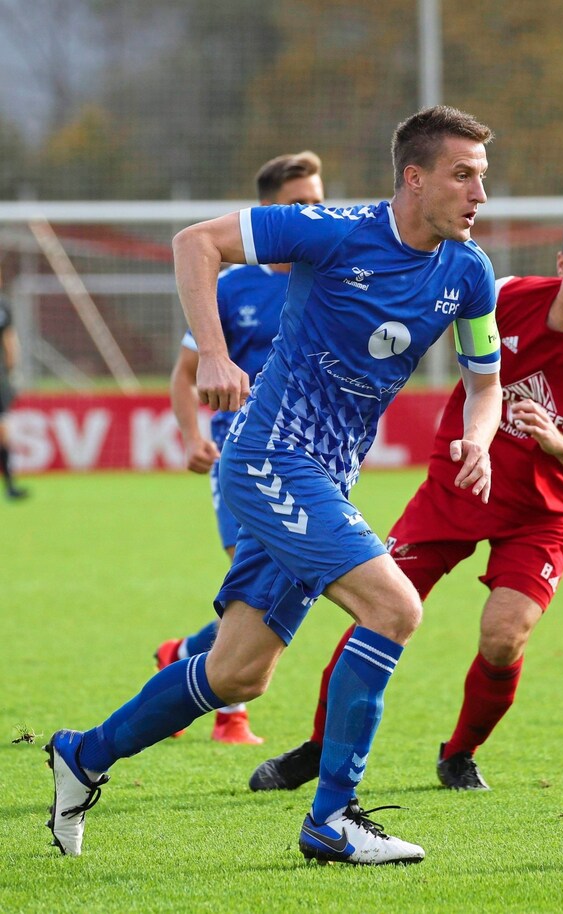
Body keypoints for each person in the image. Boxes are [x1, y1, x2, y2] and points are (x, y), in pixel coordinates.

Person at [44, 105, 502, 865]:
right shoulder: (333, 229)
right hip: (269, 457)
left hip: (329, 476)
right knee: (394, 607)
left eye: (482, 177)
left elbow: (485, 383)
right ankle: (334, 816)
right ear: (414, 180)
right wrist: (217, 357)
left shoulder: (469, 271)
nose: (479, 194)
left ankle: (81, 756)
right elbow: (197, 243)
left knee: (237, 672)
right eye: (463, 175)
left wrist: (478, 442)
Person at [248, 203, 563, 793]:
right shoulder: (504, 293)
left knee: (503, 636)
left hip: (540, 516)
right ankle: (319, 748)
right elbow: (427, 324)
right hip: (456, 485)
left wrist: (558, 442)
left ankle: (460, 754)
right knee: (378, 607)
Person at [160, 151, 325, 745]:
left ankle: (181, 655)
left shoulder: (331, 274)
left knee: (279, 582)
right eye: (296, 205)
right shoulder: (232, 283)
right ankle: (231, 714)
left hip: (307, 460)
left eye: (316, 201)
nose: (310, 213)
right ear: (265, 212)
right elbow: (184, 373)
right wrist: (190, 435)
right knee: (248, 580)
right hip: (240, 454)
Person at [0, 267, 28, 501]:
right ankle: (9, 485)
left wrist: (10, 372)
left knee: (2, 430)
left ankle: (9, 485)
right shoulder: (3, 306)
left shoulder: (3, 306)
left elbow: (10, 345)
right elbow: (10, 344)